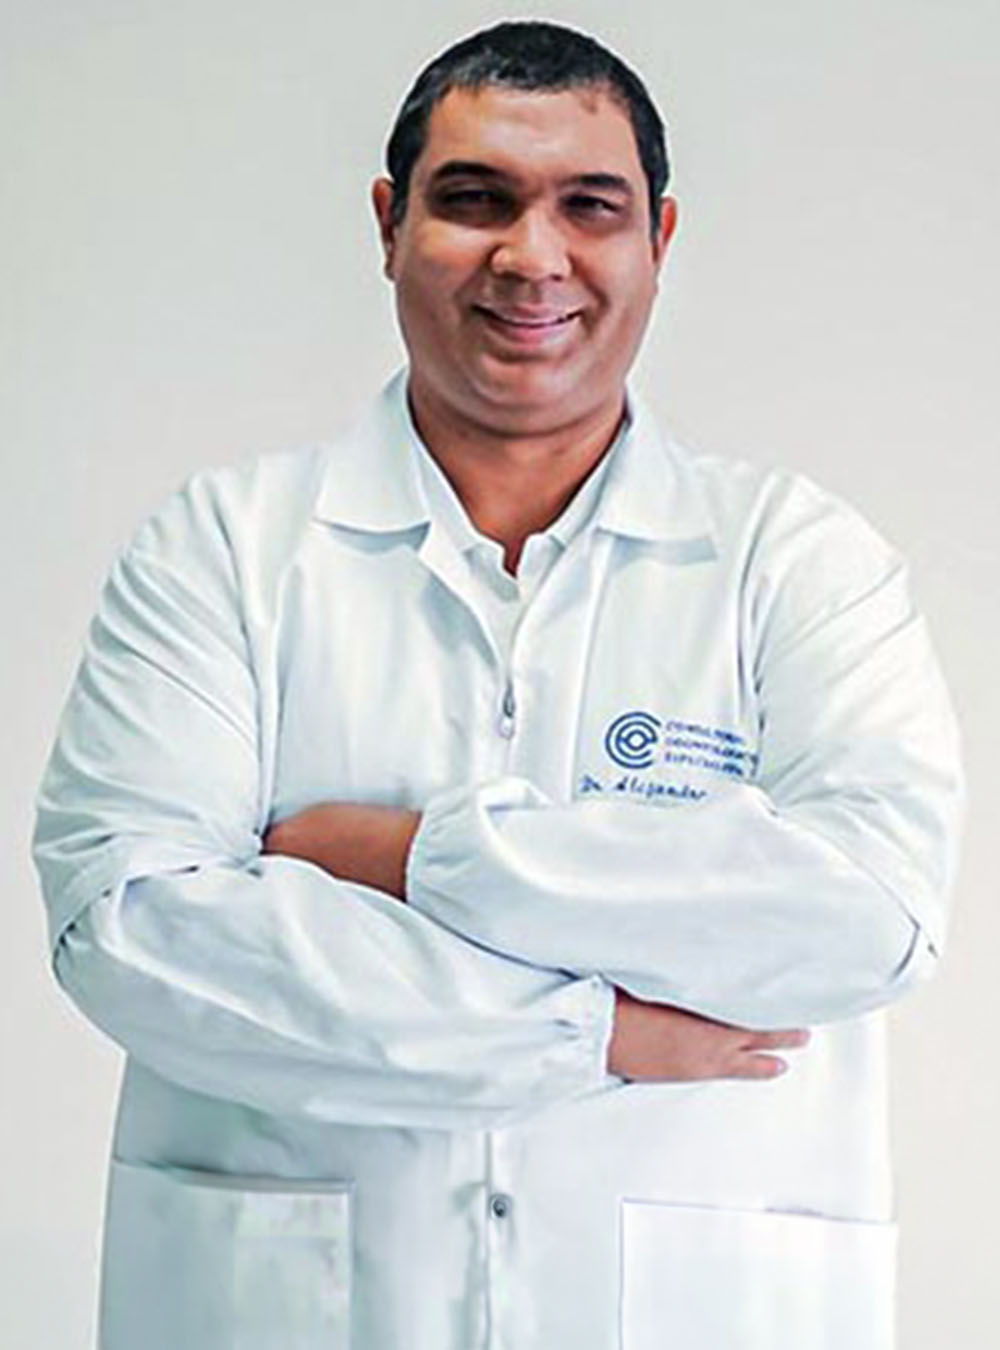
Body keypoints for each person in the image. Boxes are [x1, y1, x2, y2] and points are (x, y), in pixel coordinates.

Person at [32, 19, 963, 1350]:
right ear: (388, 224)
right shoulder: (222, 552)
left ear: (659, 239)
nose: (533, 257)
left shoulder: (799, 561)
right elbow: (130, 930)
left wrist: (411, 858)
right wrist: (590, 1033)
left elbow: (866, 915)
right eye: (474, 200)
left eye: (591, 206)